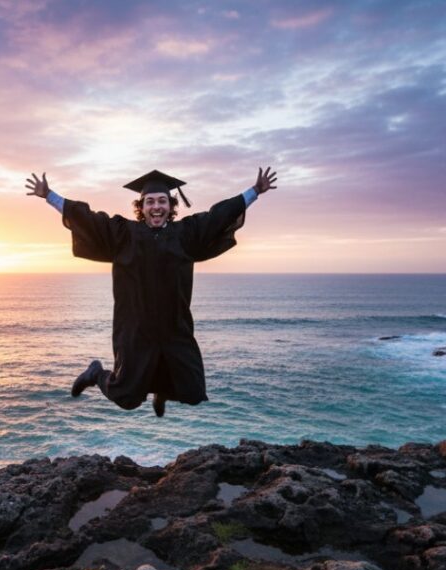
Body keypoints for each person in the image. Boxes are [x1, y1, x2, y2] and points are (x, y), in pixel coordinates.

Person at [25, 167, 277, 416]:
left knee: (192, 391)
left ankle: (162, 392)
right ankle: (96, 374)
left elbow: (219, 216)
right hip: (136, 330)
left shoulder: (186, 234)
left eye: (162, 201)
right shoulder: (124, 234)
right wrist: (50, 195)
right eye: (150, 202)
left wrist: (255, 191)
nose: (156, 206)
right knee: (126, 397)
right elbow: (87, 219)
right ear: (141, 207)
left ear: (171, 206)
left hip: (174, 328)